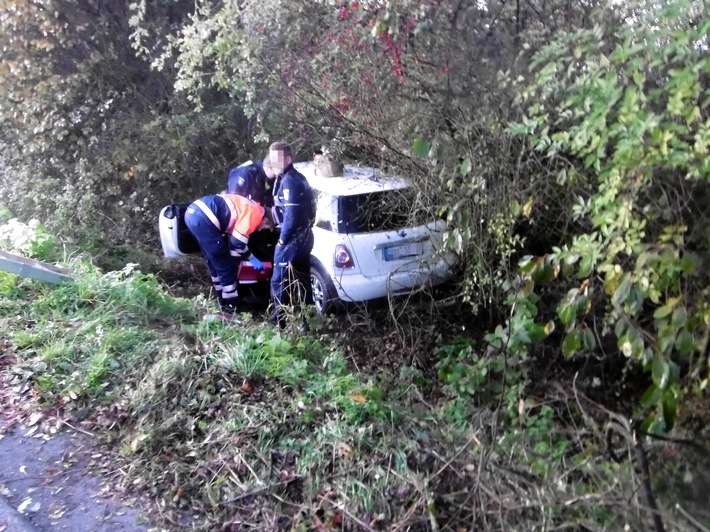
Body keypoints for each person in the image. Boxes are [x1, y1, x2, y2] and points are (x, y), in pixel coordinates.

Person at [184, 192, 271, 313]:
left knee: (214, 262)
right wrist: (251, 258)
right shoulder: (255, 215)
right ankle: (232, 305)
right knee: (226, 265)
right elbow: (237, 242)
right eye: (265, 227)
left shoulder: (252, 206)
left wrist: (239, 257)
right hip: (204, 218)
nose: (260, 229)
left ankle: (222, 300)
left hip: (193, 214)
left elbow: (233, 240)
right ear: (265, 220)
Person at [266, 141, 316, 326]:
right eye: (272, 159)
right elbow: (312, 209)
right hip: (304, 237)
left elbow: (292, 217)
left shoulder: (290, 182)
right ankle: (308, 323)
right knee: (303, 280)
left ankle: (277, 324)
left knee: (278, 280)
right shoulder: (297, 178)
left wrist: (282, 241)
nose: (274, 163)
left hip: (293, 239)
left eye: (277, 159)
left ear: (288, 158)